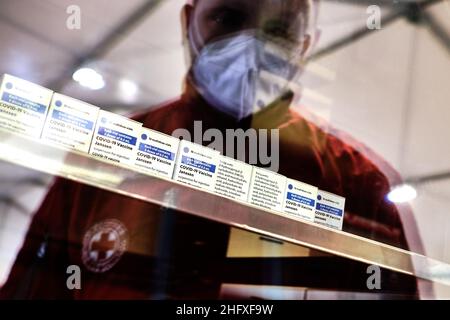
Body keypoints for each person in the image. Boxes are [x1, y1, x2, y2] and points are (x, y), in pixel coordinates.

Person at [0, 0, 424, 299]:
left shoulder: (357, 186)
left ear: (305, 46)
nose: (250, 46)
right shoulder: (105, 156)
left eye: (278, 29)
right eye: (227, 16)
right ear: (188, 21)